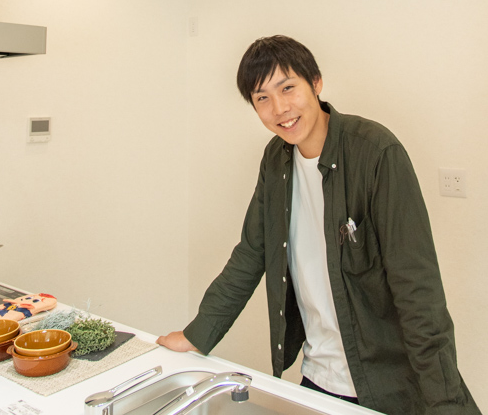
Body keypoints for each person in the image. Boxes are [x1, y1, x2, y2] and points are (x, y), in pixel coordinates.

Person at [157, 36, 480, 415]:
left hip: (388, 388)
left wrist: (446, 404)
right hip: (318, 380)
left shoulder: (376, 152)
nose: (279, 108)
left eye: (287, 88)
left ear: (316, 82)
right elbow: (251, 253)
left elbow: (418, 290)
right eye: (262, 98)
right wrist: (197, 335)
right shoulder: (276, 160)